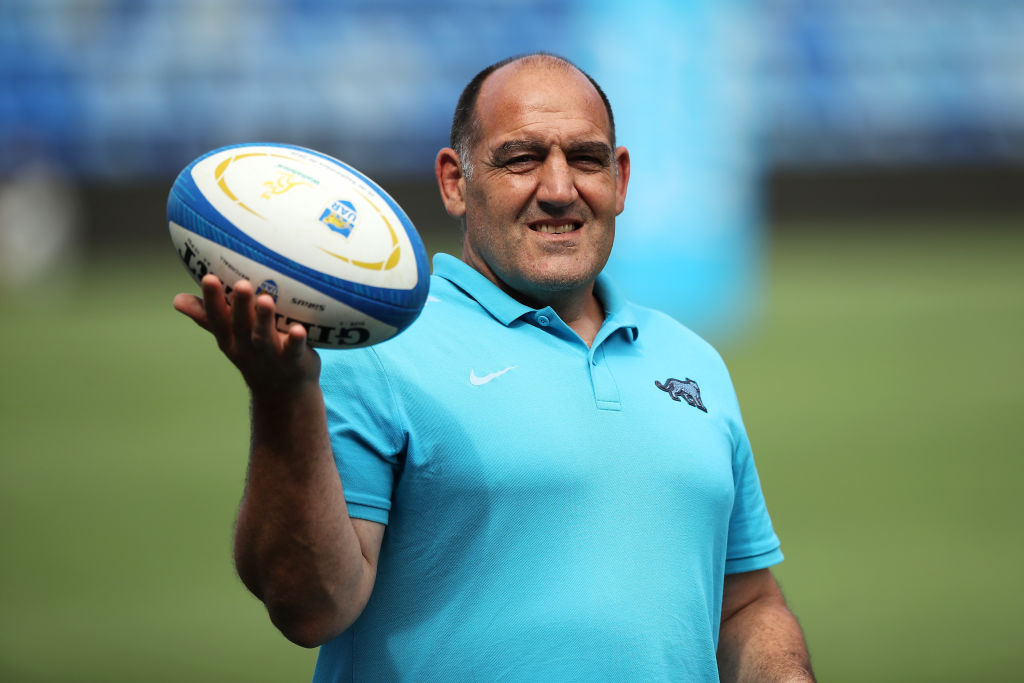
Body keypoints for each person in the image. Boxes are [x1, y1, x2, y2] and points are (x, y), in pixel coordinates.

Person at [174, 53, 815, 682]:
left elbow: (745, 606)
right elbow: (309, 607)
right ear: (456, 181)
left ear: (619, 179)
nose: (560, 190)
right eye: (522, 158)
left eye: (585, 159)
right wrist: (283, 396)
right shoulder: (374, 352)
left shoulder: (692, 360)